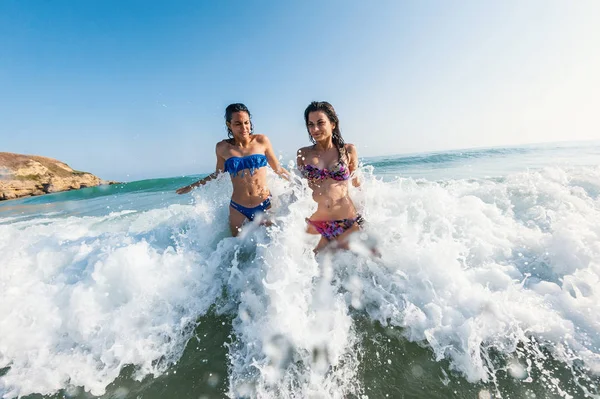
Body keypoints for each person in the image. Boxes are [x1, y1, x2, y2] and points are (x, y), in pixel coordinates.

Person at [176, 103, 289, 236]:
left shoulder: (261, 141)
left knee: (271, 244)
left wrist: (302, 183)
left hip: (264, 204)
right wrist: (191, 187)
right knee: (237, 249)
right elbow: (218, 174)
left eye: (246, 122)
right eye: (238, 124)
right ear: (229, 124)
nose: (244, 128)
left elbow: (278, 169)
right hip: (238, 209)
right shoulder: (222, 148)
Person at [296, 101, 362, 253]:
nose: (315, 129)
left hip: (346, 222)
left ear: (332, 123)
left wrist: (366, 216)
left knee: (353, 272)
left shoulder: (348, 150)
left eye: (320, 123)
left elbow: (357, 185)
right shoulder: (303, 154)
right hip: (316, 225)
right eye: (310, 124)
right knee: (309, 273)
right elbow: (299, 189)